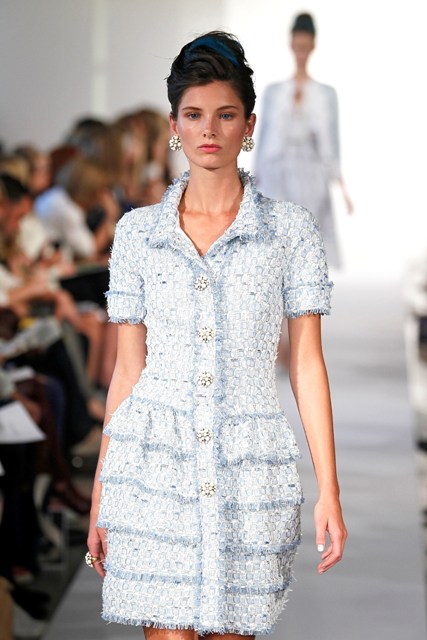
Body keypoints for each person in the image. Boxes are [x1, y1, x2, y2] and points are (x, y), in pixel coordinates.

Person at [87, 30, 347, 639]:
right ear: (173, 125)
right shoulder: (138, 234)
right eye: (194, 115)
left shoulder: (289, 232)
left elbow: (307, 365)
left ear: (249, 125)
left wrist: (329, 490)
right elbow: (128, 370)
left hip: (248, 469)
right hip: (152, 467)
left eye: (226, 115)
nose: (209, 130)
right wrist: (103, 489)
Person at [255, 13, 353, 269]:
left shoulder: (325, 94)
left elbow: (331, 141)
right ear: (291, 44)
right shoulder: (275, 93)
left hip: (311, 174)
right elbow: (264, 138)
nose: (301, 53)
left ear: (313, 47)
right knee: (279, 235)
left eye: (305, 47)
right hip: (278, 171)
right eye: (298, 46)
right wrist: (255, 179)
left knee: (310, 234)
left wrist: (342, 188)